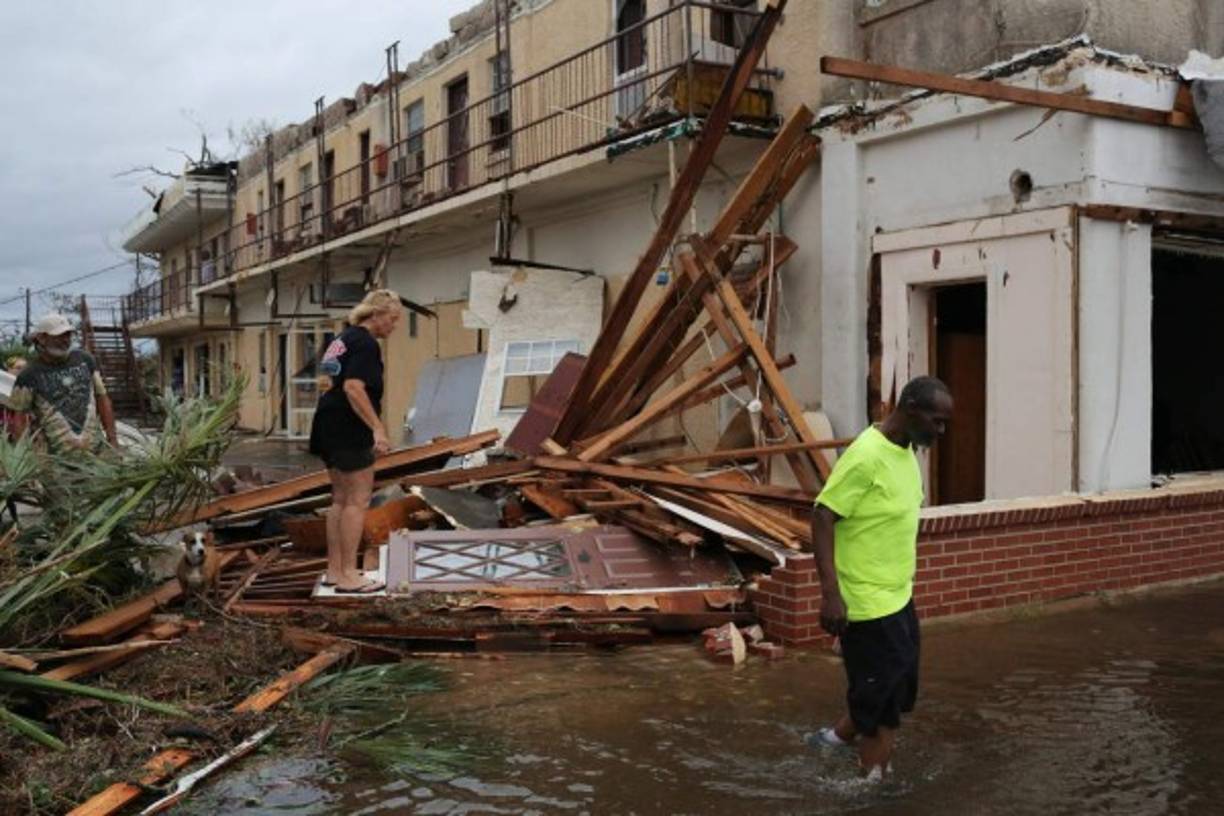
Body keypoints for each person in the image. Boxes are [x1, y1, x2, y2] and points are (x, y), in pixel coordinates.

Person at [808, 375, 953, 779]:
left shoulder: (906, 450)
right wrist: (830, 594)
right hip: (867, 606)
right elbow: (822, 514)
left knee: (898, 686)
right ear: (909, 409)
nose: (940, 432)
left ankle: (833, 740)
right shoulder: (865, 456)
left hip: (899, 597)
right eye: (936, 422)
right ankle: (872, 784)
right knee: (883, 704)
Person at [308, 289, 403, 593]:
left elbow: (330, 382)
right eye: (393, 318)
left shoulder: (344, 339)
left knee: (339, 500)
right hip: (349, 427)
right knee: (357, 500)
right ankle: (350, 574)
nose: (395, 325)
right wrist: (377, 428)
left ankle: (335, 571)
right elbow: (353, 387)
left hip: (327, 423)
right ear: (376, 314)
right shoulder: (365, 343)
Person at [9, 314, 118, 453]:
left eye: (68, 335)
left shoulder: (85, 360)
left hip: (96, 455)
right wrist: (23, 454)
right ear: (42, 338)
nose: (65, 340)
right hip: (55, 462)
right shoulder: (29, 375)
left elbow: (102, 398)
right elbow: (19, 417)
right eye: (59, 335)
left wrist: (112, 439)